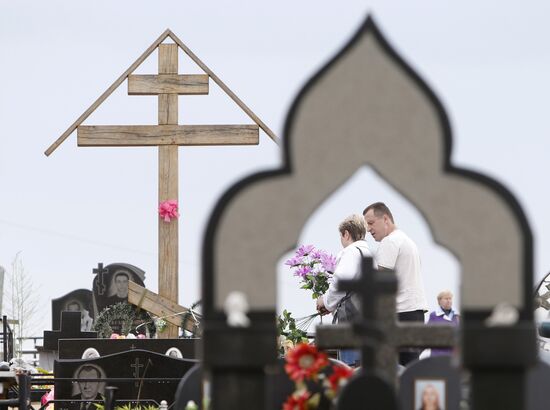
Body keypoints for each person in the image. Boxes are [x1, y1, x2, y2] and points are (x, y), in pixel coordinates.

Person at [363, 202, 427, 366]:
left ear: (385, 219)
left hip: (399, 315)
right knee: (409, 371)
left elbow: (380, 285)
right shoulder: (407, 240)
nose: (368, 229)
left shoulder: (389, 242)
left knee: (393, 373)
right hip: (416, 313)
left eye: (371, 223)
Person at [316, 214, 373, 367]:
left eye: (341, 236)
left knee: (348, 370)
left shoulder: (351, 252)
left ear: (346, 234)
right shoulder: (368, 254)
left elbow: (340, 283)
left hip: (351, 323)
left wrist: (325, 303)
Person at [427, 290, 459, 356]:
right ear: (439, 301)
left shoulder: (457, 315)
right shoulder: (434, 315)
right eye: (446, 298)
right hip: (437, 352)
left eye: (450, 298)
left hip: (453, 353)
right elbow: (428, 332)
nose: (448, 300)